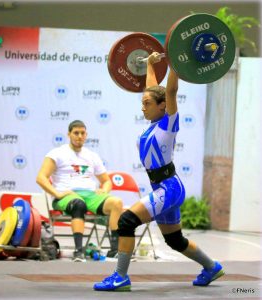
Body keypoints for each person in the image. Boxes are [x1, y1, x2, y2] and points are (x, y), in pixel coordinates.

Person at [94, 52, 225, 290]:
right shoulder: (153, 125)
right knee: (175, 240)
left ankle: (120, 276)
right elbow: (154, 89)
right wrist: (152, 65)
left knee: (125, 221)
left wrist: (175, 64)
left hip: (169, 188)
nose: (143, 108)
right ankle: (211, 266)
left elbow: (170, 91)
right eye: (142, 103)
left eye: (147, 104)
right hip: (163, 187)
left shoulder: (169, 122)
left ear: (162, 106)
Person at [36, 120, 123, 262]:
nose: (79, 136)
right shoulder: (57, 153)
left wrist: (104, 190)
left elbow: (106, 181)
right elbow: (41, 178)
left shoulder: (92, 155)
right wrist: (57, 193)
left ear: (86, 135)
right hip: (67, 196)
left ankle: (115, 251)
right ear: (69, 134)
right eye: (76, 133)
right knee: (79, 204)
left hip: (90, 195)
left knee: (117, 203)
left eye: (82, 133)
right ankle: (78, 251)